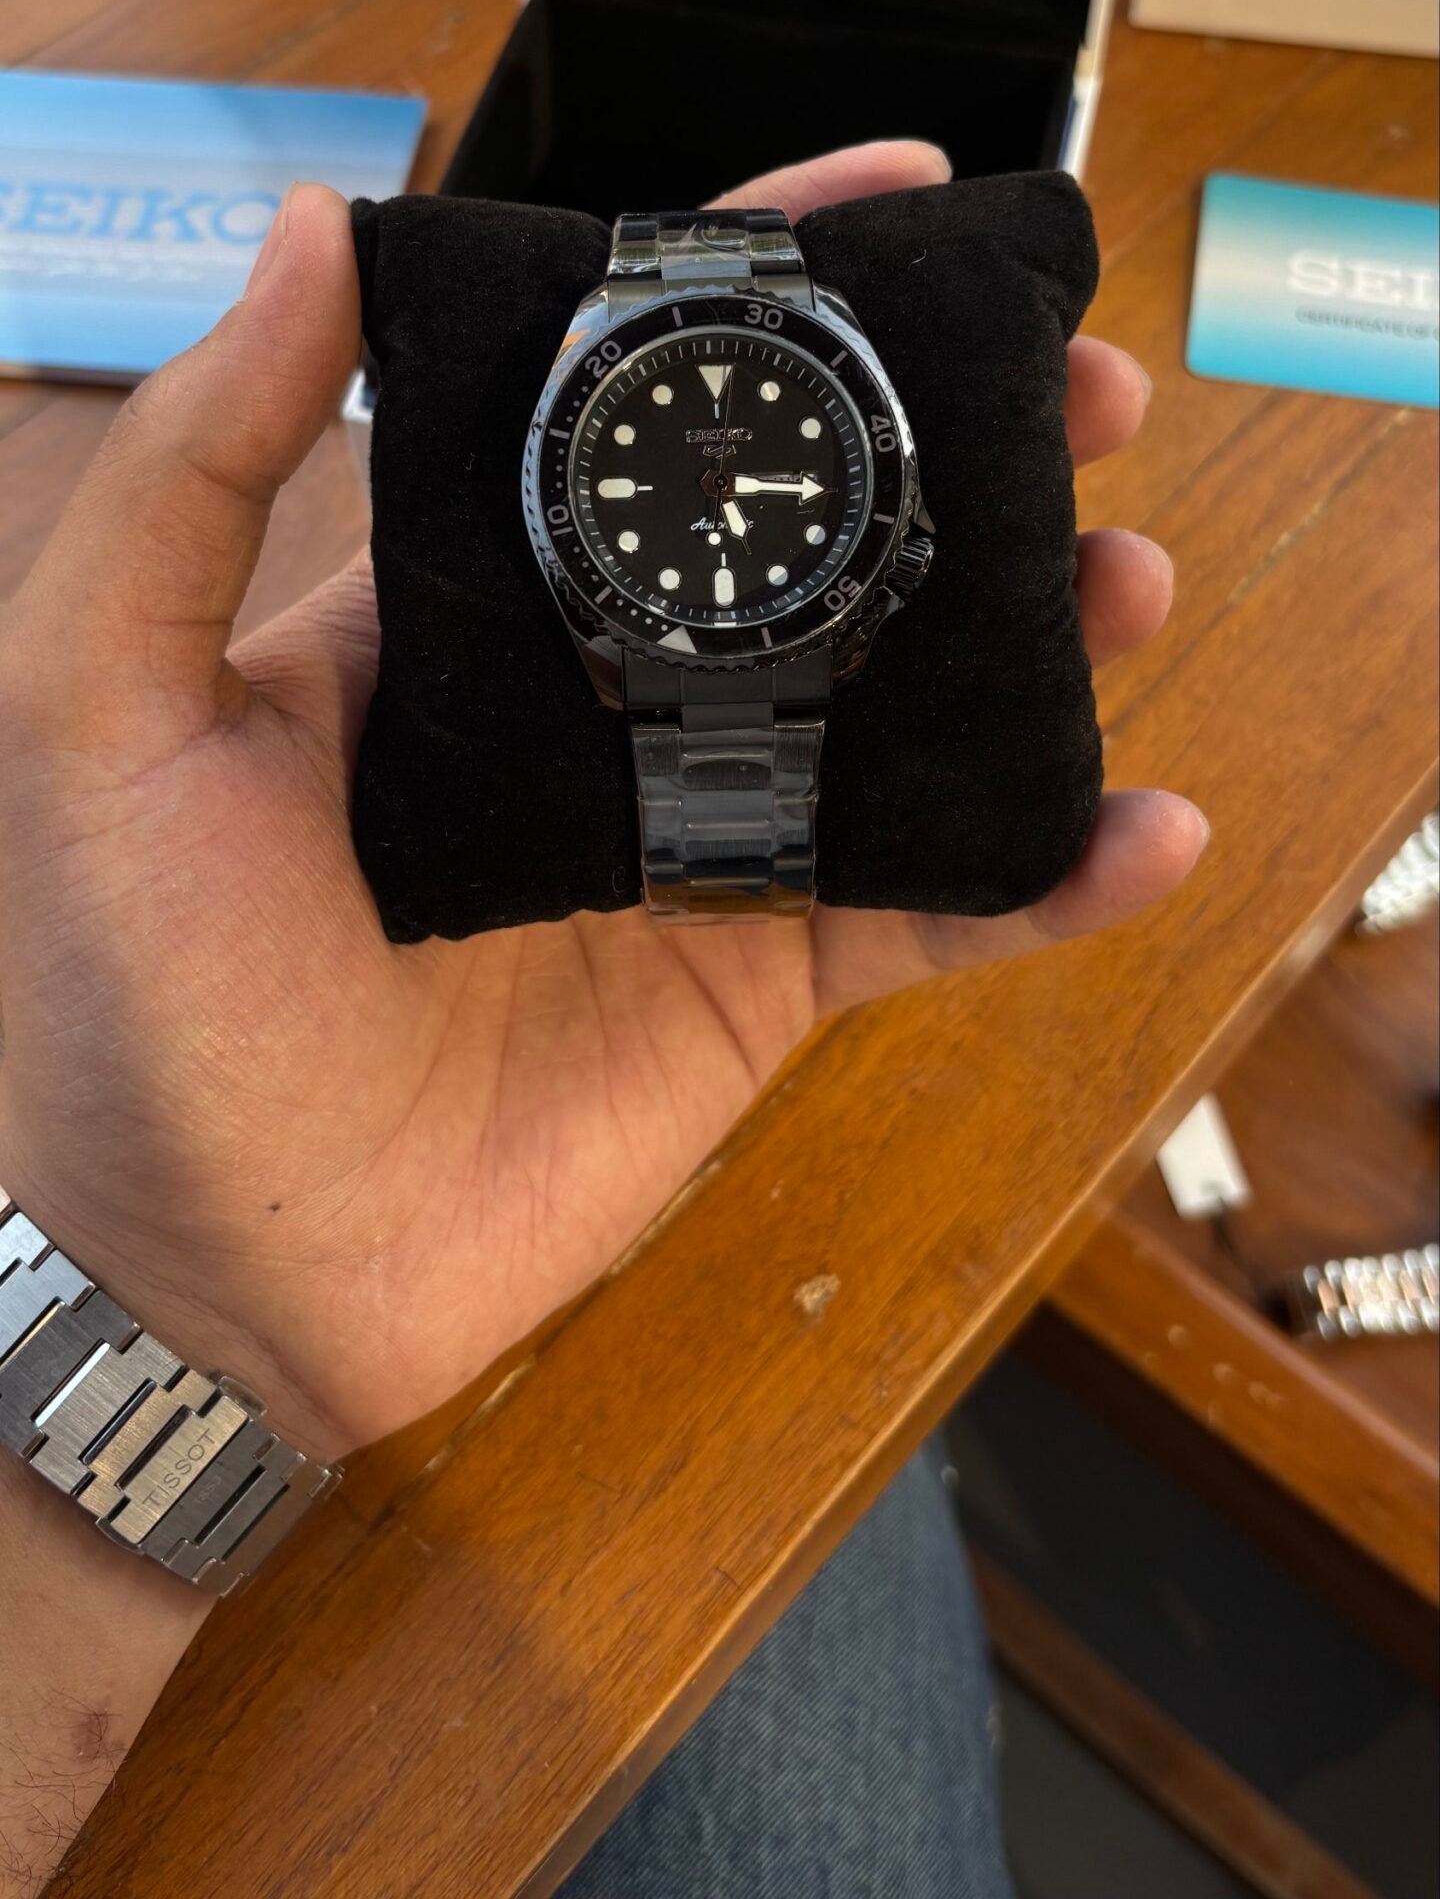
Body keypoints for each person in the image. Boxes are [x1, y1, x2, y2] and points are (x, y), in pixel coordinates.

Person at [0, 143, 1204, 1895]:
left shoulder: (766, 492)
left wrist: (149, 1291)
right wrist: (158, 1277)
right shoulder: (619, 506)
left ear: (899, 524)